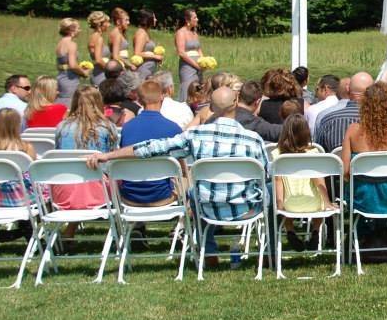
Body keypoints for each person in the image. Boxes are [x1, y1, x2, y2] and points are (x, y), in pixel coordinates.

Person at [86, 86, 272, 264]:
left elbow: (151, 148)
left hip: (206, 207)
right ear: (237, 102)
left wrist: (108, 155)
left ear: (211, 107)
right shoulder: (253, 140)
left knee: (195, 192)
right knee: (269, 188)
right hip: (248, 209)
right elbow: (266, 176)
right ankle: (270, 252)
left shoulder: (194, 135)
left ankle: (208, 250)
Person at [340, 82, 387, 252]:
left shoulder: (353, 131)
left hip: (362, 200)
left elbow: (345, 173)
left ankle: (368, 236)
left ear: (365, 106)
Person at [53, 86, 119, 242]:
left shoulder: (61, 127)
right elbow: (110, 160)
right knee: (118, 174)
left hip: (63, 190)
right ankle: (124, 229)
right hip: (97, 191)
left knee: (80, 176)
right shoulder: (106, 127)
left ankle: (70, 230)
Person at [271, 114, 336, 251]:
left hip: (290, 205)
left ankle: (290, 230)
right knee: (320, 199)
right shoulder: (313, 153)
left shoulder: (277, 155)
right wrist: (327, 202)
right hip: (313, 203)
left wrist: (280, 205)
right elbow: (319, 181)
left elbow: (278, 183)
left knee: (284, 199)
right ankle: (316, 230)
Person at [118, 81, 182, 208]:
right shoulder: (173, 128)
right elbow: (181, 167)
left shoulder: (127, 128)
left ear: (140, 101)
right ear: (162, 97)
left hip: (129, 196)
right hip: (163, 197)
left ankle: (139, 224)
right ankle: (184, 223)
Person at [0, 108, 37, 224]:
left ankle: (24, 230)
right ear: (17, 125)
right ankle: (27, 229)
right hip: (21, 199)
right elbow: (32, 174)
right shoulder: (26, 148)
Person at [315, 72, 373, 152]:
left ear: (348, 89)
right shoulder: (381, 121)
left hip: (335, 164)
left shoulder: (327, 120)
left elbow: (319, 153)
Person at [208, 81, 282, 143]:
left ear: (238, 96)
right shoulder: (254, 123)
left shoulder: (210, 120)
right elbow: (282, 132)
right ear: (258, 101)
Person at [55, 18, 89, 105]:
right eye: (78, 28)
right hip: (70, 79)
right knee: (70, 102)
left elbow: (65, 64)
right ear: (71, 30)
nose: (80, 30)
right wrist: (83, 73)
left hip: (61, 77)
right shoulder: (72, 44)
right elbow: (73, 65)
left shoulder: (60, 43)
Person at [175, 8, 204, 102]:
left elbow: (199, 50)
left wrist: (204, 62)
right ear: (187, 20)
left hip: (198, 67)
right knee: (188, 88)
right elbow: (181, 53)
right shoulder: (180, 33)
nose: (197, 19)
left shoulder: (194, 33)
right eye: (195, 17)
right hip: (187, 67)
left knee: (198, 90)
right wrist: (196, 65)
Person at [132, 9, 163, 81]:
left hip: (149, 68)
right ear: (148, 19)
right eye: (154, 17)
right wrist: (155, 56)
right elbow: (137, 53)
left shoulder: (146, 32)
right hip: (144, 69)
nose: (156, 19)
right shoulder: (141, 33)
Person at [87, 10, 112, 86]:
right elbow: (98, 60)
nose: (109, 25)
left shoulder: (93, 36)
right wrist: (111, 71)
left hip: (96, 72)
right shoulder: (99, 38)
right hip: (101, 74)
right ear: (99, 24)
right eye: (107, 22)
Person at [108, 7, 136, 73]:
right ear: (118, 21)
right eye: (126, 20)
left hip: (123, 65)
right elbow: (115, 56)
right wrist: (130, 65)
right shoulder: (116, 34)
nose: (128, 23)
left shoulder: (120, 33)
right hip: (119, 67)